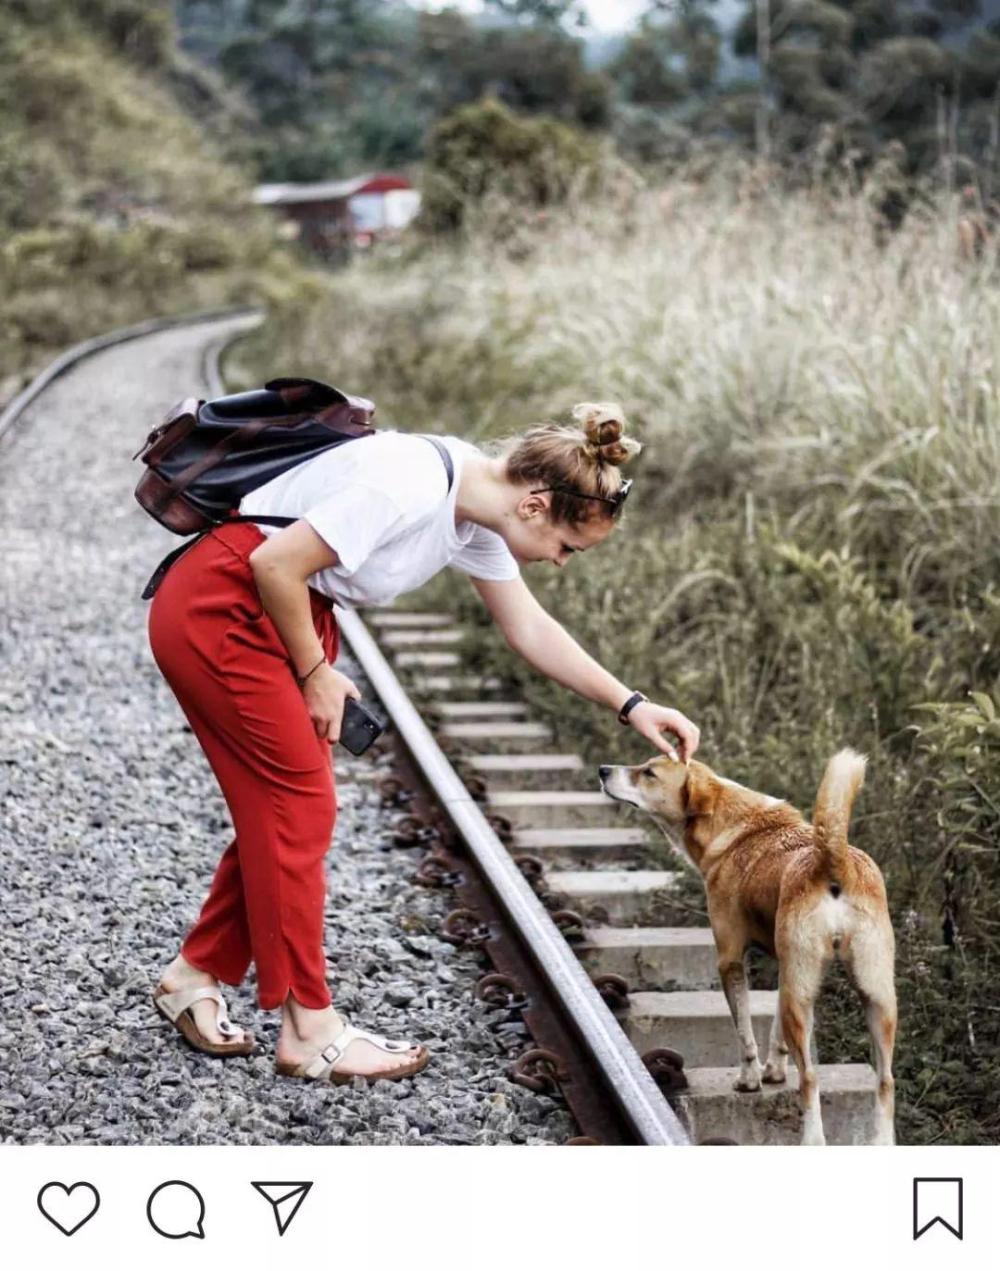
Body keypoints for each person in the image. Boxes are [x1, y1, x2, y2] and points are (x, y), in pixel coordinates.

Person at [146, 401, 701, 1085]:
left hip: (274, 615)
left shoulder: (475, 511)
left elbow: (528, 628)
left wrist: (632, 704)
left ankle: (195, 973)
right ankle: (309, 1028)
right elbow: (275, 563)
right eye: (567, 547)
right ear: (535, 506)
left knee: (287, 814)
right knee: (298, 810)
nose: (559, 563)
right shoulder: (409, 483)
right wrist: (316, 674)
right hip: (226, 607)